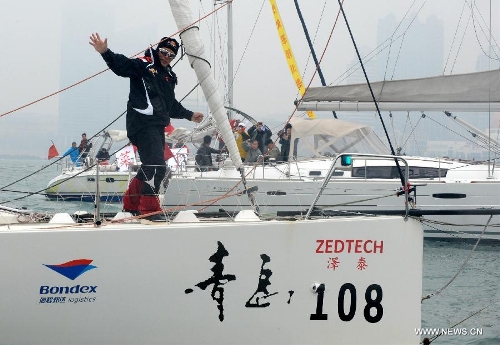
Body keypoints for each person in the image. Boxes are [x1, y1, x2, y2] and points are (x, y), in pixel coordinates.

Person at [90, 33, 204, 220]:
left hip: (157, 125)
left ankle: (131, 205)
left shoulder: (168, 75)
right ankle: (149, 210)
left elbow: (171, 105)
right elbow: (122, 66)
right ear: (158, 49)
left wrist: (190, 115)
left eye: (171, 55)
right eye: (164, 51)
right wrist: (105, 52)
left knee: (153, 166)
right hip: (142, 123)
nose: (166, 56)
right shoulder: (144, 65)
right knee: (156, 166)